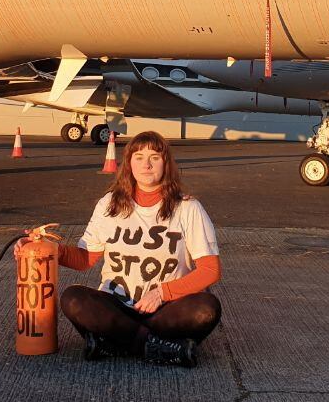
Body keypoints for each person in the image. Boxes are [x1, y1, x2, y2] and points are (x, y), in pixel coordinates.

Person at [55, 131, 221, 367]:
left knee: (206, 308)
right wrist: (48, 249)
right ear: (129, 163)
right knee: (74, 298)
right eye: (139, 157)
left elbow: (210, 270)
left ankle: (114, 343)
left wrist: (162, 293)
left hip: (165, 310)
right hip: (117, 307)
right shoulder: (109, 204)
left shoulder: (188, 207)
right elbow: (85, 258)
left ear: (166, 163)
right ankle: (159, 347)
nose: (146, 164)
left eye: (155, 157)